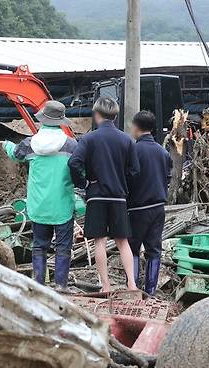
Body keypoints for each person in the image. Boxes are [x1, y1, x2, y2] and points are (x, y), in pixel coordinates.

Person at [2, 100, 82, 292]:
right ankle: (61, 285)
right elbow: (81, 168)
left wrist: (5, 145)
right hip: (62, 203)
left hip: (38, 205)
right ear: (61, 121)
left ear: (42, 120)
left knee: (39, 246)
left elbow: (15, 154)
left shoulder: (30, 144)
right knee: (63, 247)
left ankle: (39, 284)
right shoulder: (71, 145)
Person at [68, 97, 139, 292]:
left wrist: (83, 183)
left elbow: (74, 163)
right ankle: (132, 285)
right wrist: (123, 185)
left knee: (99, 241)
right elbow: (135, 171)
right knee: (122, 241)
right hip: (118, 196)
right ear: (115, 116)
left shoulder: (89, 139)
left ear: (96, 114)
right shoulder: (127, 140)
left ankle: (106, 286)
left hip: (96, 195)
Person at [127, 110, 173, 295]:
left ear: (136, 128)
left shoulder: (133, 150)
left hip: (137, 208)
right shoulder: (163, 152)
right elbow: (168, 178)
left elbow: (128, 178)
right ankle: (151, 291)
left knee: (133, 250)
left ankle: (133, 289)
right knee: (154, 250)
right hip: (158, 208)